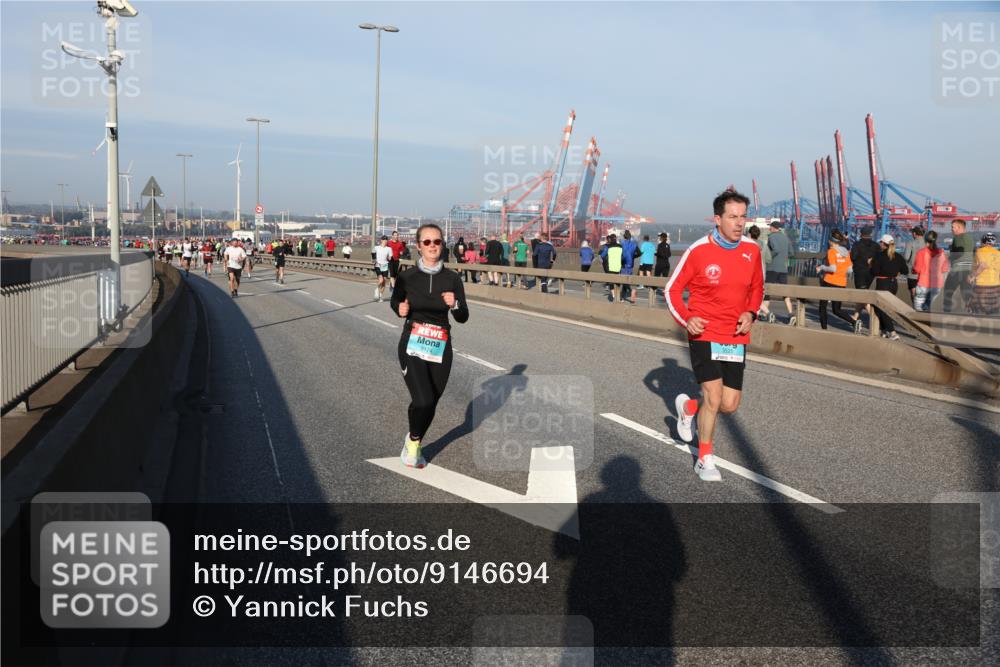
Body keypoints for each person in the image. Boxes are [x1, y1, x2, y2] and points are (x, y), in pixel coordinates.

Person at [666, 189, 764, 482]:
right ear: (718, 218)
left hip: (735, 336)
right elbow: (671, 290)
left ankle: (688, 407)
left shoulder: (752, 250)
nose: (739, 223)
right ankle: (704, 457)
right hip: (705, 332)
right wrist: (687, 318)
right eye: (732, 217)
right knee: (714, 396)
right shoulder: (698, 250)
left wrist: (751, 313)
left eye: (743, 216)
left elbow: (757, 289)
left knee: (729, 404)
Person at [390, 223, 469, 468]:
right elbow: (395, 301)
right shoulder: (407, 277)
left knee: (431, 401)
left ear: (442, 245)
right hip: (413, 342)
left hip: (440, 346)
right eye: (427, 242)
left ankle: (414, 440)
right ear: (418, 246)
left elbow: (463, 315)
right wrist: (399, 308)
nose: (433, 246)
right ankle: (413, 441)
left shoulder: (452, 278)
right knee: (422, 400)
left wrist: (454, 304)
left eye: (437, 241)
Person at [870, 234, 909, 340]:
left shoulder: (879, 256)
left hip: (883, 283)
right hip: (894, 284)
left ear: (883, 244)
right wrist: (896, 272)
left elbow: (874, 271)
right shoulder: (898, 256)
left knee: (882, 309)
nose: (879, 244)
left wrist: (870, 264)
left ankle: (892, 332)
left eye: (880, 242)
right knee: (880, 307)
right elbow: (905, 270)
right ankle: (884, 330)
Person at [816, 230, 855, 330]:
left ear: (831, 241)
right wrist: (841, 270)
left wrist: (821, 267)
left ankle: (824, 329)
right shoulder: (846, 252)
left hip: (829, 281)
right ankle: (854, 322)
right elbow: (850, 270)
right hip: (841, 283)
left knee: (822, 307)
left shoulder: (831, 251)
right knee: (837, 309)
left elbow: (833, 268)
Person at [848, 226, 880, 333]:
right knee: (863, 294)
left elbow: (852, 257)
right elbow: (880, 256)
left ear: (861, 234)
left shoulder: (857, 245)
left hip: (860, 272)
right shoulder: (876, 245)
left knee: (862, 295)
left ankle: (875, 318)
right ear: (871, 234)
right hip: (871, 274)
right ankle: (855, 317)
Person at [764, 220, 796, 325]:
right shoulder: (786, 238)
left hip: (772, 268)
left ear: (773, 228)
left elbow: (776, 249)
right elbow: (791, 253)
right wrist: (784, 258)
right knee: (785, 293)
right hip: (783, 268)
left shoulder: (771, 237)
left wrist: (768, 258)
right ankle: (791, 314)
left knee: (767, 292)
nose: (769, 228)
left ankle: (765, 314)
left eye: (770, 227)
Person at [912, 230, 949, 312]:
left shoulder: (921, 252)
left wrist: (913, 270)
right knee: (927, 308)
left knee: (918, 311)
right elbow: (945, 269)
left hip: (923, 284)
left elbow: (917, 269)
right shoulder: (942, 253)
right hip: (936, 285)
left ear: (925, 240)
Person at [943, 219, 975, 313]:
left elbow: (960, 251)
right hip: (968, 270)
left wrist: (950, 255)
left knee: (947, 293)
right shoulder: (970, 238)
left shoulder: (957, 238)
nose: (951, 229)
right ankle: (971, 313)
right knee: (967, 295)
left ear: (959, 227)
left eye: (953, 227)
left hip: (957, 270)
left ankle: (946, 315)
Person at [969, 232, 1000, 315]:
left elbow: (982, 265)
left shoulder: (980, 251)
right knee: (993, 311)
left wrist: (972, 276)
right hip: (996, 286)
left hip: (982, 286)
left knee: (975, 309)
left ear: (983, 241)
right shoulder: (998, 253)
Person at [904, 226, 925, 302]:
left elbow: (906, 257)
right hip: (925, 273)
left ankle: (915, 309)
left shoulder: (910, 243)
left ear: (914, 233)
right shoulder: (929, 245)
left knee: (913, 292)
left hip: (913, 273)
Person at [599, 233, 623, 301]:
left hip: (611, 267)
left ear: (610, 239)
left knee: (611, 282)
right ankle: (618, 296)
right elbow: (623, 256)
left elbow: (602, 255)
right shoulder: (620, 246)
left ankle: (613, 295)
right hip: (618, 267)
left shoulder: (608, 247)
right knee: (618, 282)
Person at [620, 230, 639, 304]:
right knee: (627, 280)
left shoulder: (622, 244)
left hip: (623, 264)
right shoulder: (634, 244)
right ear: (630, 237)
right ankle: (622, 297)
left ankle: (631, 291)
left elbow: (622, 254)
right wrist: (633, 256)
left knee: (624, 281)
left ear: (624, 237)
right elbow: (640, 253)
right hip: (631, 265)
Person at [373, 235, 392, 302]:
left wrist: (390, 258)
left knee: (384, 282)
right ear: (381, 240)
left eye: (386, 240)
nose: (385, 241)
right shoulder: (376, 247)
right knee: (381, 280)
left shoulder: (389, 249)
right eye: (384, 239)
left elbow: (390, 257)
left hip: (385, 266)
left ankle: (380, 296)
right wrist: (374, 260)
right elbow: (373, 254)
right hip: (378, 265)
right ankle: (376, 290)